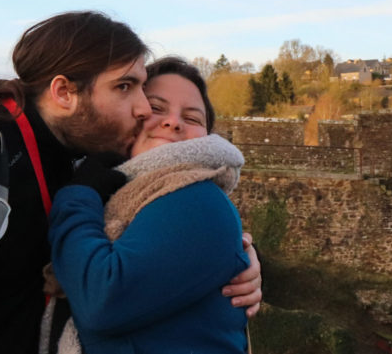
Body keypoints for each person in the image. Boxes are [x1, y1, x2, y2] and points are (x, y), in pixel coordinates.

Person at [0, 12, 261, 354]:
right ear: (64, 93)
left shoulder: (90, 162)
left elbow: (157, 237)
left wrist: (240, 257)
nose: (142, 110)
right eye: (126, 88)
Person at [47, 57, 250, 353]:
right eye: (156, 108)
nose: (173, 122)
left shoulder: (196, 199)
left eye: (192, 118)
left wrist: (77, 195)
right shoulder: (124, 196)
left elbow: (103, 301)